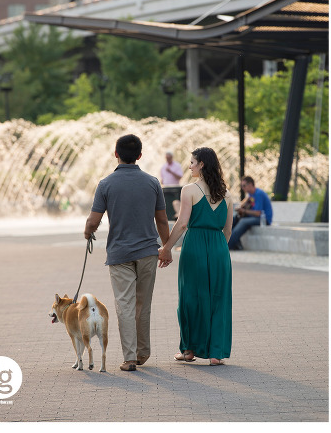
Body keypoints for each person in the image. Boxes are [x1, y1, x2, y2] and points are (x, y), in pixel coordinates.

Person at [84, 134, 173, 372]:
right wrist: (166, 248)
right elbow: (162, 220)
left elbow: (94, 221)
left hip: (120, 253)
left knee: (125, 304)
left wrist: (87, 232)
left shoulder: (105, 184)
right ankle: (143, 352)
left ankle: (130, 357)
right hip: (148, 252)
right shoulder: (153, 182)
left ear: (116, 154)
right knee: (143, 304)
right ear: (140, 156)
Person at [159, 147, 234, 365]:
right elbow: (228, 230)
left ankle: (189, 350)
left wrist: (166, 248)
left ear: (201, 164)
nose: (189, 166)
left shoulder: (189, 190)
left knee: (190, 297)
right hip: (219, 249)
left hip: (194, 248)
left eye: (192, 162)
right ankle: (216, 354)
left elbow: (182, 224)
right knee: (219, 299)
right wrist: (218, 251)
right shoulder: (227, 194)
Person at [228, 176, 273, 250]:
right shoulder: (251, 194)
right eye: (242, 186)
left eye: (244, 186)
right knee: (234, 219)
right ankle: (235, 244)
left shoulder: (258, 194)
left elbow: (258, 213)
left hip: (264, 219)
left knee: (243, 221)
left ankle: (228, 245)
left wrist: (244, 211)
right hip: (255, 217)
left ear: (251, 184)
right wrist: (242, 206)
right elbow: (241, 206)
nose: (243, 188)